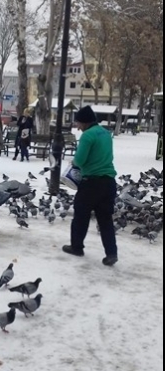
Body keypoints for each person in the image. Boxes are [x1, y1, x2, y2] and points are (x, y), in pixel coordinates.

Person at [62, 105, 118, 266]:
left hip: (91, 183)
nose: (78, 127)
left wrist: (74, 162)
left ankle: (77, 247)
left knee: (81, 215)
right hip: (108, 182)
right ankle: (111, 253)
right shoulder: (106, 133)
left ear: (85, 122)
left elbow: (79, 160)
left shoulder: (87, 136)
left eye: (78, 123)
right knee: (105, 220)